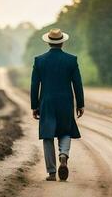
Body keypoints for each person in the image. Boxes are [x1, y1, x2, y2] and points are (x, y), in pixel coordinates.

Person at [30, 28, 85, 181]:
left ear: (48, 42)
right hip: (65, 101)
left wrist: (34, 106)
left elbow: (35, 85)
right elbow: (77, 83)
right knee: (65, 131)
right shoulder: (71, 60)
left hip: (47, 102)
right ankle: (63, 155)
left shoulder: (39, 60)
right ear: (62, 42)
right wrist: (80, 104)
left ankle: (52, 172)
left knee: (48, 135)